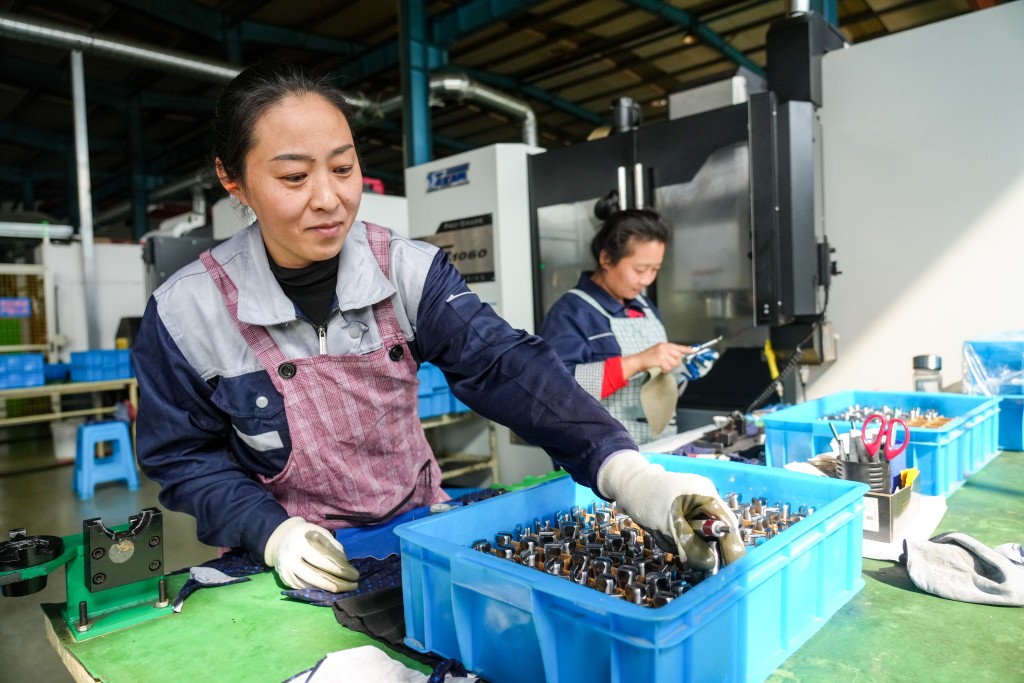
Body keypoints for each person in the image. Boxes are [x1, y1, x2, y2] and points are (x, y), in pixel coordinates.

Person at [133, 60, 741, 595]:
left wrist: (624, 471)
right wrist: (270, 532)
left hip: (419, 529)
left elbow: (506, 365)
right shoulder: (187, 313)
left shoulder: (407, 271)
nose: (328, 199)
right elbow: (184, 455)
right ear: (232, 178)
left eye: (343, 169)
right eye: (294, 178)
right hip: (289, 557)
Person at [539, 208, 719, 444]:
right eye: (640, 269)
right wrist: (638, 361)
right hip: (599, 452)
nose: (646, 280)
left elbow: (650, 384)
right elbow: (555, 392)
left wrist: (678, 371)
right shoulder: (571, 312)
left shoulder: (644, 306)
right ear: (606, 259)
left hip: (656, 443)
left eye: (655, 269)